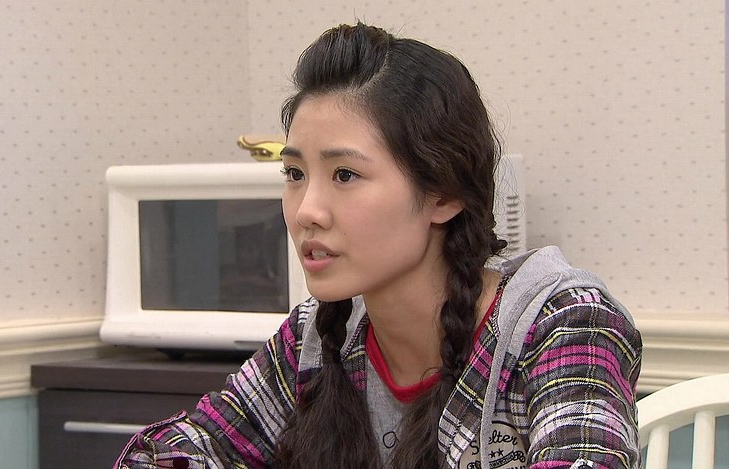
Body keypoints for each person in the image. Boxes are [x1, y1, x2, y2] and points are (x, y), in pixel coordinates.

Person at [114, 23, 642, 469]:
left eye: (345, 174)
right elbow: (180, 449)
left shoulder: (563, 324)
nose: (306, 211)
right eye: (294, 174)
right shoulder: (318, 337)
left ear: (444, 194)